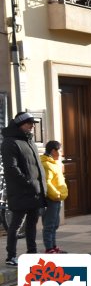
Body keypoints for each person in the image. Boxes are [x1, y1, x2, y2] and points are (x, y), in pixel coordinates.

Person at [1, 112, 46, 267]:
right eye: (29, 123)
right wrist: (28, 182)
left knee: (32, 223)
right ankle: (11, 256)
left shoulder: (29, 141)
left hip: (34, 191)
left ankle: (32, 252)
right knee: (16, 224)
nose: (32, 126)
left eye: (33, 123)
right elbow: (11, 168)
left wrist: (40, 185)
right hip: (21, 191)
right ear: (20, 124)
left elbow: (36, 166)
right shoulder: (10, 142)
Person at [40, 141, 68, 253]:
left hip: (57, 198)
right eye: (59, 150)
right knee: (49, 225)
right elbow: (47, 183)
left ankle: (54, 246)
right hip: (52, 198)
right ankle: (49, 248)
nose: (61, 153)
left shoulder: (54, 163)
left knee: (55, 224)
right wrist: (56, 194)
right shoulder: (46, 164)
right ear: (53, 151)